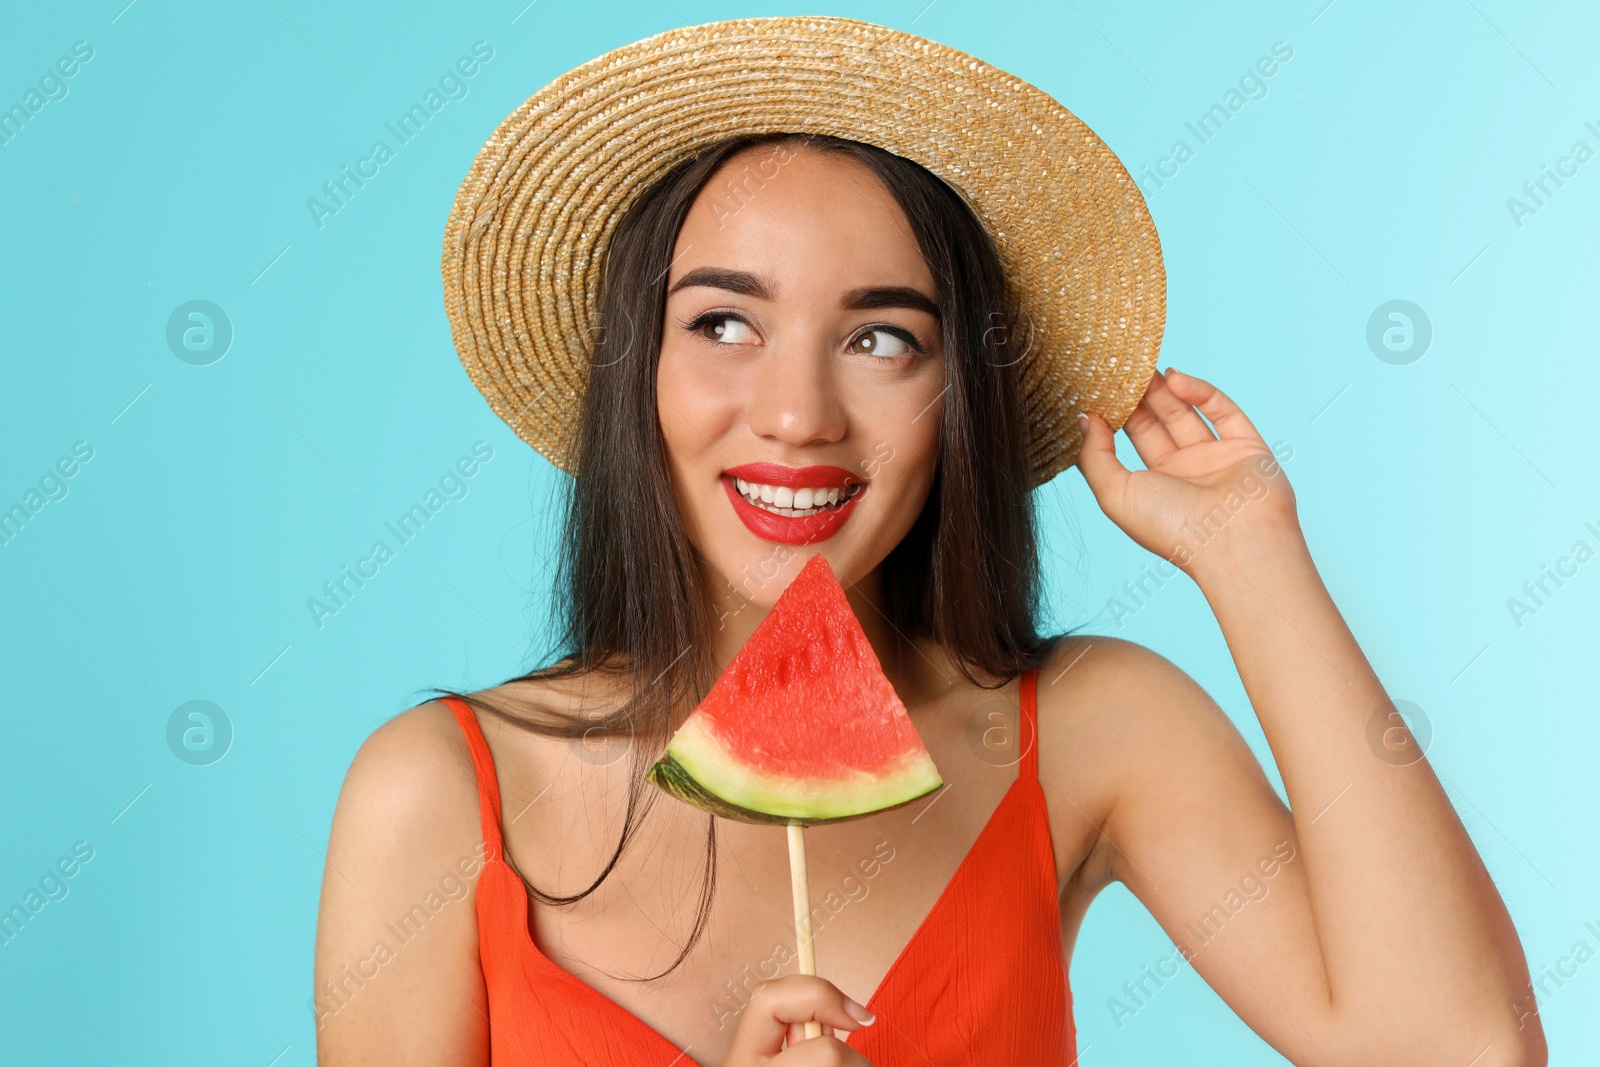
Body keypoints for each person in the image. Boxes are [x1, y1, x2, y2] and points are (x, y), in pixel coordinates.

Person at [313, 17, 1545, 1067]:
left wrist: (1251, 555)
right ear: (637, 371)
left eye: (881, 338)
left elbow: (1460, 1048)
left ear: (959, 394)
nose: (797, 414)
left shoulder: (1090, 733)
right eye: (725, 322)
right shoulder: (434, 795)